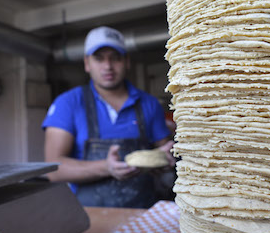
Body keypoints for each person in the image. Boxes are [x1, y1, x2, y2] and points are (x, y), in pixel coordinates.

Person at [42, 26, 175, 208]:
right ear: (87, 63)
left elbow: (164, 154)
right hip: (89, 214)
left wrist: (166, 158)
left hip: (142, 211)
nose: (108, 66)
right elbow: (53, 169)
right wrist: (106, 167)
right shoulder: (68, 104)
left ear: (127, 61)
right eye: (99, 58)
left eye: (115, 58)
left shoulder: (149, 104)